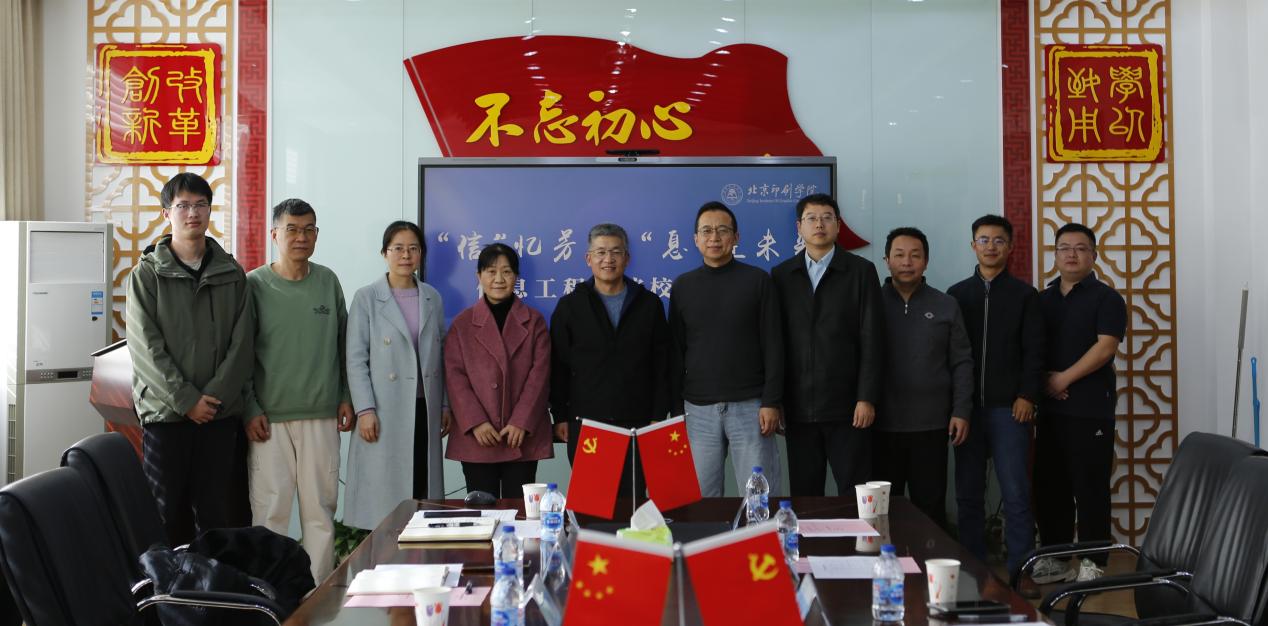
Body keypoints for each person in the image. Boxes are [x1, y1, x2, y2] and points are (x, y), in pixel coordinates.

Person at [126, 172, 253, 546]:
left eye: (200, 205)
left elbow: (242, 343)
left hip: (218, 416)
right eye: (183, 205)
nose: (192, 213)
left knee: (217, 515)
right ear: (166, 213)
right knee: (166, 514)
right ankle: (168, 584)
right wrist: (186, 401)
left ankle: (212, 584)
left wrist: (212, 400)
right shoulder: (146, 275)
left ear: (210, 211)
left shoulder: (232, 273)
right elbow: (145, 349)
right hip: (166, 417)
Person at [243, 198, 353, 582]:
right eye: (292, 229)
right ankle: (269, 596)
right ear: (275, 234)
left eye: (308, 230)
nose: (301, 237)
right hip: (268, 419)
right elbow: (240, 352)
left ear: (317, 235)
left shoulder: (327, 281)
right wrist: (249, 408)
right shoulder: (254, 284)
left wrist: (346, 396)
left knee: (319, 511)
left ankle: (316, 595)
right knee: (270, 512)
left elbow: (344, 345)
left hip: (321, 414)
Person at [947, 215, 1044, 590]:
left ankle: (1021, 570)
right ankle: (974, 568)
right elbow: (950, 355)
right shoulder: (956, 295)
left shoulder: (1025, 295)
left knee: (1016, 492)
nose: (991, 246)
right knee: (968, 493)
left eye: (998, 240)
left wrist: (1027, 395)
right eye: (984, 240)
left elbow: (1035, 351)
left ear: (1010, 247)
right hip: (967, 411)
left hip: (1010, 409)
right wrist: (956, 405)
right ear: (973, 245)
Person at [1032, 222, 1126, 583]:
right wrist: (1045, 380)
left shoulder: (1107, 298)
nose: (1072, 254)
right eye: (1064, 248)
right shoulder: (1042, 300)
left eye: (1081, 248)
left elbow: (1105, 347)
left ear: (1094, 255)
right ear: (1055, 255)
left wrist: (1063, 378)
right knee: (1050, 486)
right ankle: (1056, 558)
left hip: (1090, 410)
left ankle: (1093, 561)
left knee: (1090, 487)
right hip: (1050, 409)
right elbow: (1031, 348)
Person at [669, 201, 784, 497]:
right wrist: (677, 409)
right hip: (697, 410)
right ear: (696, 239)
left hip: (751, 406)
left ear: (736, 237)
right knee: (700, 498)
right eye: (706, 231)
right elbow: (676, 350)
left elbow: (774, 345)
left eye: (722, 230)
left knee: (759, 496)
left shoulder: (758, 281)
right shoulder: (682, 286)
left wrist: (771, 401)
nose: (714, 238)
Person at [771, 193, 883, 496]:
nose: (819, 224)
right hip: (798, 408)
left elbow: (872, 338)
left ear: (837, 225)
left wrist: (866, 397)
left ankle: (857, 533)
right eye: (811, 218)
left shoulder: (861, 271)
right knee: (805, 494)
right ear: (799, 227)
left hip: (848, 407)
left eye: (826, 218)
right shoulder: (782, 275)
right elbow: (776, 343)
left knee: (855, 492)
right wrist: (777, 400)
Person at [345, 221, 450, 530]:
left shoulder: (432, 297)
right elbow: (355, 359)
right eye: (398, 248)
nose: (406, 255)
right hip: (384, 407)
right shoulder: (366, 298)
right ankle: (386, 555)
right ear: (384, 253)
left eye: (413, 248)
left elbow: (441, 356)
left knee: (421, 487)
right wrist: (365, 409)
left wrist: (445, 404)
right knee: (385, 493)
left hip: (425, 406)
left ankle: (421, 553)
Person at [550, 223, 670, 495]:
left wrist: (658, 415)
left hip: (638, 422)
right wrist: (560, 416)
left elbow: (662, 364)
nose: (608, 259)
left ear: (627, 258)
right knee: (593, 500)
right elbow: (558, 367)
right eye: (601, 252)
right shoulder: (570, 306)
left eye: (616, 252)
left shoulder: (649, 304)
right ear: (588, 258)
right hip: (587, 423)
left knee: (633, 502)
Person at [874, 227, 972, 528]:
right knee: (881, 510)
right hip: (880, 424)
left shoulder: (945, 304)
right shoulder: (870, 303)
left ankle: (928, 559)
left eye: (915, 255)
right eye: (899, 255)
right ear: (886, 261)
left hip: (931, 424)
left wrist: (961, 410)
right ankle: (884, 559)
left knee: (929, 508)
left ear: (926, 262)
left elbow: (961, 361)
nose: (907, 262)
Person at [445, 243, 553, 497]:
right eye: (491, 271)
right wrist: (476, 422)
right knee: (481, 511)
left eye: (506, 272)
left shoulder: (534, 321)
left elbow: (540, 375)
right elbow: (455, 377)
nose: (499, 279)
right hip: (479, 437)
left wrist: (521, 421)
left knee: (522, 510)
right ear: (479, 276)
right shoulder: (462, 323)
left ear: (516, 276)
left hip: (521, 436)